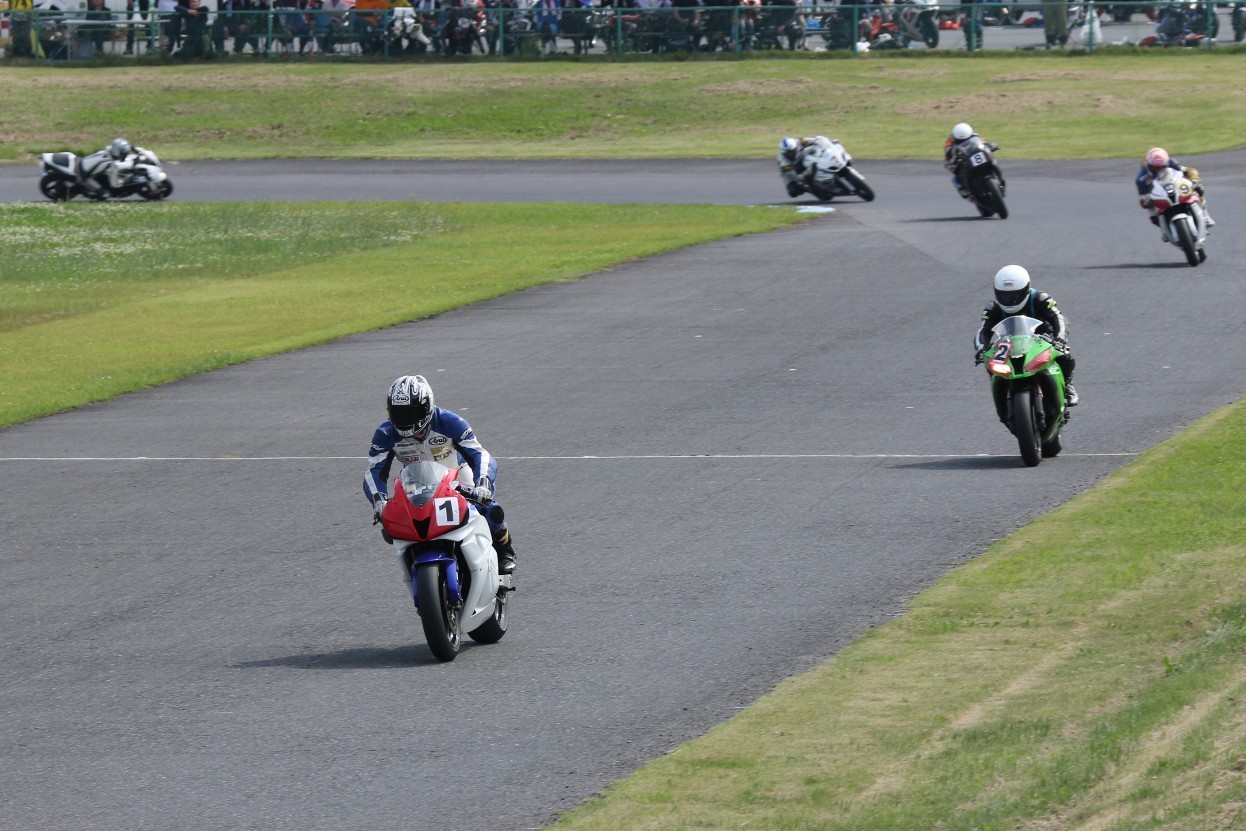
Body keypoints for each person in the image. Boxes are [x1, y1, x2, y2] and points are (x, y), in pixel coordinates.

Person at [365, 375, 518, 574]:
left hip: (458, 478)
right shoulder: (385, 434)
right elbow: (374, 471)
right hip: (416, 483)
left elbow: (480, 454)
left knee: (489, 509)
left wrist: (483, 484)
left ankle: (505, 550)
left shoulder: (450, 422)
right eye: (399, 413)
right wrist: (379, 500)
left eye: (411, 412)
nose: (405, 420)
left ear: (427, 407)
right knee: (393, 527)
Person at [975, 265, 1078, 407]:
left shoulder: (1040, 298)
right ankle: (1002, 393)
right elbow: (983, 331)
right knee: (991, 362)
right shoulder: (993, 308)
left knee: (1064, 355)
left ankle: (1068, 385)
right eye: (1004, 295)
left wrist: (1060, 339)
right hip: (1009, 343)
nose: (1009, 300)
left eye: (1015, 295)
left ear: (1026, 289)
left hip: (1042, 338)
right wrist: (982, 349)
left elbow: (1058, 319)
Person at [1135, 146, 1214, 230]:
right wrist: (1146, 201)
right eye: (1154, 167)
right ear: (1149, 165)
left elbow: (1190, 171)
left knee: (1198, 190)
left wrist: (1195, 181)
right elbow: (1143, 198)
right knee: (1154, 217)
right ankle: (1166, 230)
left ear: (1166, 164)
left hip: (1172, 184)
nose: (1158, 170)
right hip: (1157, 193)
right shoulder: (1141, 179)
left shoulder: (1171, 162)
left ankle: (1205, 215)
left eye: (1161, 167)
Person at [943, 121, 1002, 200]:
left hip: (975, 154)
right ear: (955, 137)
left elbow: (983, 143)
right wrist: (952, 161)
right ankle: (964, 189)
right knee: (955, 177)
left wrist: (989, 146)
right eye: (960, 140)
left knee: (994, 161)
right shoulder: (950, 143)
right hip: (963, 160)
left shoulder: (975, 136)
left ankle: (999, 179)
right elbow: (948, 156)